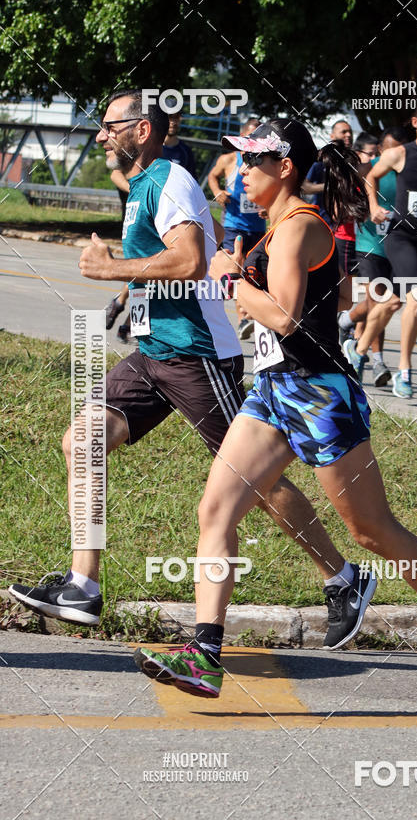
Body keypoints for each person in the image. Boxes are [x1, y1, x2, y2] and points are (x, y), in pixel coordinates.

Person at [133, 118, 417, 704]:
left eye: (253, 162)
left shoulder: (298, 226)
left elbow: (282, 317)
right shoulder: (272, 230)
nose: (241, 171)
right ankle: (205, 653)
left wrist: (229, 280)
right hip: (274, 389)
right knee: (216, 509)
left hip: (323, 394)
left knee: (371, 531)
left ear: (285, 168)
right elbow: (333, 298)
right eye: (240, 161)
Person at [8, 92, 355, 633]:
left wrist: (109, 270)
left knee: (256, 483)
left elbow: (192, 261)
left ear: (142, 129)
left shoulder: (169, 179)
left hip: (197, 354)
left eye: (109, 126)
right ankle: (84, 586)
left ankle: (341, 578)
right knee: (83, 440)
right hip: (153, 353)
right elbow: (185, 252)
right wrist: (128, 289)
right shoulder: (145, 184)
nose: (100, 136)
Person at [344, 108, 417, 396]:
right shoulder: (399, 155)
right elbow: (369, 177)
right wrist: (373, 207)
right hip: (400, 237)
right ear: (416, 123)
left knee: (391, 303)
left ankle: (358, 352)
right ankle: (404, 372)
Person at [105, 109, 198, 341]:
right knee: (143, 270)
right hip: (144, 216)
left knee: (152, 276)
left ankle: (128, 321)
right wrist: (140, 193)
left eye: (178, 118)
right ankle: (128, 316)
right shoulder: (145, 147)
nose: (174, 122)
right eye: (170, 117)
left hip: (169, 221)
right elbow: (116, 175)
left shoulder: (185, 152)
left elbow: (189, 185)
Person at [338, 126, 409, 386]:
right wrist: (369, 209)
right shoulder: (368, 171)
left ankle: (348, 322)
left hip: (399, 246)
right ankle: (374, 358)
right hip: (369, 243)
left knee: (385, 305)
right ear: (381, 150)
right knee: (380, 297)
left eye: (399, 150)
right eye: (390, 149)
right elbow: (344, 199)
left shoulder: (410, 172)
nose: (395, 155)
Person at [207, 117, 267, 339]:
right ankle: (241, 319)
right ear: (242, 136)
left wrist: (268, 208)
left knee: (253, 274)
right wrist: (217, 191)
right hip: (234, 226)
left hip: (258, 228)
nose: (253, 141)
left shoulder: (264, 162)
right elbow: (212, 175)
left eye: (258, 137)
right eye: (250, 136)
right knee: (233, 272)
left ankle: (247, 317)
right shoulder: (229, 159)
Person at [303, 119, 357, 313]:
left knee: (342, 278)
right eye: (343, 132)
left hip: (342, 228)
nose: (348, 136)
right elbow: (305, 185)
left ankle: (339, 319)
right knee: (320, 272)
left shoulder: (351, 163)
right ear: (332, 136)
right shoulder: (321, 161)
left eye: (350, 132)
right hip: (320, 224)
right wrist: (330, 187)